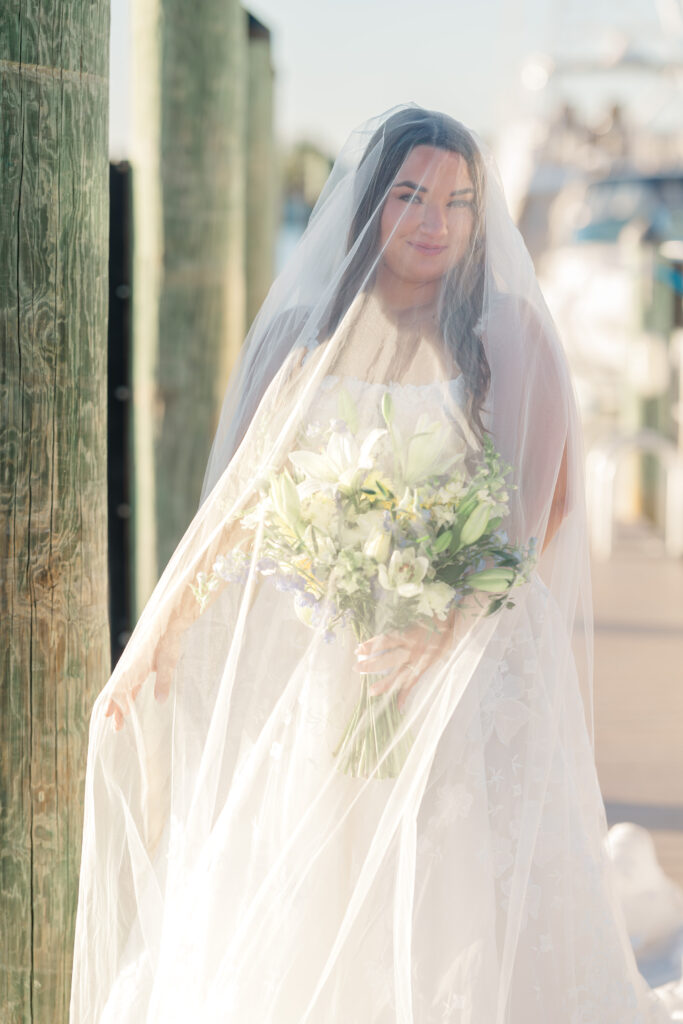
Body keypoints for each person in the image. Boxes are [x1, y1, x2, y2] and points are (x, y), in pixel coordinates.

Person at [70, 105, 683, 1023]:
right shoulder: (304, 338)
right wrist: (159, 633)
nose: (434, 221)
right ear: (370, 205)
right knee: (312, 868)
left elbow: (538, 508)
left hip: (469, 663)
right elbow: (238, 508)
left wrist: (440, 622)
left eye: (456, 201)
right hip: (330, 663)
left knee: (453, 888)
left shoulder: (506, 332)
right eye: (409, 196)